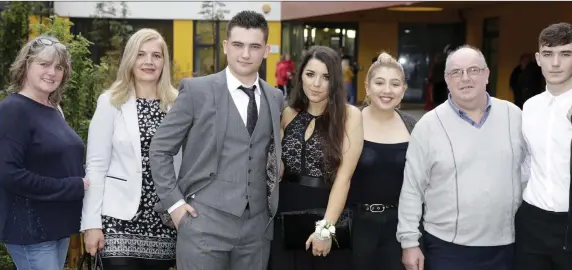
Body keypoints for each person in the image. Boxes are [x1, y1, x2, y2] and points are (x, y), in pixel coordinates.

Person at [149, 11, 284, 270]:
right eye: (238, 45)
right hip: (203, 224)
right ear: (225, 46)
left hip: (256, 230)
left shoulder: (274, 97)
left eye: (254, 46)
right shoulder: (197, 91)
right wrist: (175, 205)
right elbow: (160, 149)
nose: (246, 54)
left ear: (266, 50)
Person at [397, 45, 526, 270]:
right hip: (447, 247)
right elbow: (412, 188)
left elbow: (529, 171)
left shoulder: (513, 116)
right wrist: (409, 242)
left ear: (487, 74)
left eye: (473, 70)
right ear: (446, 79)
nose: (465, 78)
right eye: (456, 72)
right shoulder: (428, 126)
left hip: (507, 245)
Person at [81, 28, 180, 269]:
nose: (149, 61)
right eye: (141, 54)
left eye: (156, 55)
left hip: (164, 222)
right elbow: (95, 165)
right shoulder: (111, 102)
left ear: (164, 62)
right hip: (118, 220)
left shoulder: (178, 104)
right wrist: (91, 223)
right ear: (130, 59)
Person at [0, 35, 89, 270]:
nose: (52, 72)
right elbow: (9, 175)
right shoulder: (13, 110)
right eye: (44, 64)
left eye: (59, 67)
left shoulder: (54, 109)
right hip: (30, 230)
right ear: (26, 65)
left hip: (57, 227)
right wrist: (73, 186)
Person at [270, 45, 364, 269]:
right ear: (300, 74)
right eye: (310, 74)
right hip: (284, 213)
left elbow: (344, 178)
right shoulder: (288, 114)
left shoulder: (349, 116)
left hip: (326, 212)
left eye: (326, 77)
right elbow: (279, 167)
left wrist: (325, 229)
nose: (316, 83)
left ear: (335, 81)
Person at [515, 22, 572, 270]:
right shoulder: (529, 107)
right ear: (538, 59)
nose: (556, 63)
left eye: (565, 54)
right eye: (548, 54)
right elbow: (527, 161)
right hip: (532, 221)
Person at [348, 52, 416, 270]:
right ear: (367, 87)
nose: (387, 90)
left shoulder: (413, 127)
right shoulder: (349, 121)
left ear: (403, 90)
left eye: (395, 84)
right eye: (380, 83)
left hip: (398, 229)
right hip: (355, 226)